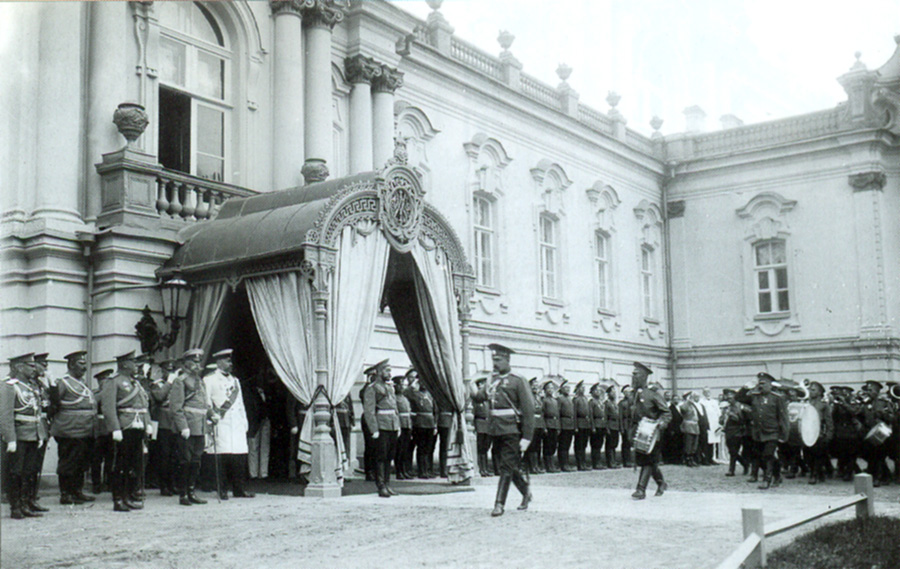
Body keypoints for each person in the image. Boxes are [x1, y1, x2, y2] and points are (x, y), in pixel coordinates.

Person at [468, 344, 534, 517]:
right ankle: (526, 491)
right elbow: (479, 397)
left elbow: (528, 411)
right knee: (508, 466)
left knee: (505, 467)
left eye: (498, 360)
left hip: (512, 430)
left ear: (507, 360)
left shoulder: (518, 380)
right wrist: (467, 383)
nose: (495, 364)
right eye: (493, 360)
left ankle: (499, 504)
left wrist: (527, 437)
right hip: (495, 430)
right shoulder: (491, 379)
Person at [100, 350, 153, 512]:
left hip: (137, 426)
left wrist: (148, 423)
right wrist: (115, 428)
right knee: (121, 464)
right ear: (123, 364)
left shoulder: (135, 383)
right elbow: (108, 407)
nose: (136, 366)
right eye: (132, 362)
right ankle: (118, 499)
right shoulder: (113, 381)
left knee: (134, 463)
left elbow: (144, 405)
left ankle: (128, 496)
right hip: (124, 427)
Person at [1, 353, 48, 519]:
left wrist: (40, 434)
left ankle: (26, 502)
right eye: (31, 365)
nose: (34, 368)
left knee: (29, 471)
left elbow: (37, 411)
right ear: (19, 367)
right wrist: (10, 439)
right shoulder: (9, 386)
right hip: (19, 435)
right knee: (16, 472)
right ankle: (16, 507)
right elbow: (5, 415)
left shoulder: (31, 386)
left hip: (33, 434)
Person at [204, 349, 254, 500]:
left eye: (230, 361)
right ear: (219, 362)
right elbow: (206, 402)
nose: (230, 364)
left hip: (237, 423)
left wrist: (244, 422)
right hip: (222, 422)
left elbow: (241, 404)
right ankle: (222, 489)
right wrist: (211, 417)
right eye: (227, 361)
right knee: (222, 456)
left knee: (239, 457)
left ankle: (239, 489)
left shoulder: (235, 381)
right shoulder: (209, 380)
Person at [170, 348, 216, 506]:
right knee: (185, 460)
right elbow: (176, 407)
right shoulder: (180, 381)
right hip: (188, 426)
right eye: (193, 362)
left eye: (198, 362)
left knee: (196, 460)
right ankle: (183, 494)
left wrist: (211, 414)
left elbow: (203, 402)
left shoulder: (199, 380)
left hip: (200, 426)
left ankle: (191, 491)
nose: (197, 365)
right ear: (186, 364)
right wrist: (183, 426)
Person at [50, 350, 97, 505]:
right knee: (68, 462)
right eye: (80, 363)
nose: (84, 367)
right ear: (71, 364)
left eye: (85, 364)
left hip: (85, 429)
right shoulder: (63, 383)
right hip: (69, 430)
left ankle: (77, 491)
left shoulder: (82, 383)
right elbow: (54, 405)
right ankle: (66, 493)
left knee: (81, 462)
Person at [737, 372, 790, 490]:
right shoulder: (754, 396)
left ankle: (767, 480)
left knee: (768, 455)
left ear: (771, 385)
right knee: (762, 456)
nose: (761, 386)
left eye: (764, 383)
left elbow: (783, 417)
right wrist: (747, 387)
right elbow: (739, 398)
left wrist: (784, 434)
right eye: (760, 383)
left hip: (772, 432)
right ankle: (777, 475)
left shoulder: (777, 398)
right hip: (758, 432)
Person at [628, 362, 671, 500]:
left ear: (644, 377)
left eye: (637, 374)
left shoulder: (653, 394)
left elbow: (666, 412)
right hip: (638, 431)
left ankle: (641, 490)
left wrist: (662, 423)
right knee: (648, 461)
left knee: (647, 460)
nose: (633, 377)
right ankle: (661, 483)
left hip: (652, 433)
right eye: (633, 374)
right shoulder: (633, 394)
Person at [362, 359, 399, 498]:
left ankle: (388, 484)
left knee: (390, 456)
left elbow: (395, 408)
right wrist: (374, 429)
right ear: (378, 372)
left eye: (390, 370)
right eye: (387, 370)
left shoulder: (390, 387)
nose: (389, 373)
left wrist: (398, 425)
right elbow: (369, 411)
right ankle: (381, 485)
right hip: (381, 426)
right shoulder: (372, 388)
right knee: (381, 456)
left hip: (392, 425)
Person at [150, 358, 180, 496]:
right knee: (164, 456)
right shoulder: (157, 384)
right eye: (168, 370)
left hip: (175, 423)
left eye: (172, 370)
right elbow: (160, 397)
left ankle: (173, 484)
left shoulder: (177, 383)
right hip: (163, 423)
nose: (170, 372)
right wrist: (169, 383)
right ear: (162, 371)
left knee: (175, 456)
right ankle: (164, 486)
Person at [860, 380, 895, 487]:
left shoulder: (883, 402)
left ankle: (878, 477)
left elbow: (892, 417)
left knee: (879, 456)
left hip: (882, 432)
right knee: (870, 455)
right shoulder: (866, 402)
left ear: (877, 391)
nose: (868, 392)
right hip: (870, 432)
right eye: (867, 390)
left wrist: (882, 414)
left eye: (871, 390)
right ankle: (886, 474)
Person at [244, 366, 273, 481]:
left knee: (264, 446)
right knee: (253, 447)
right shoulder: (249, 392)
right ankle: (253, 473)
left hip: (265, 420)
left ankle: (263, 473)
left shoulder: (267, 390)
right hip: (254, 422)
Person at [90, 368, 115, 494]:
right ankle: (96, 484)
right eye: (104, 380)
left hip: (110, 428)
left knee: (111, 458)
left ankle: (109, 482)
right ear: (99, 381)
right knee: (96, 459)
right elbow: (95, 402)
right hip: (99, 429)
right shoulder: (95, 393)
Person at [805, 381, 833, 484]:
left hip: (818, 433)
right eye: (810, 390)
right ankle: (820, 473)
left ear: (819, 392)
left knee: (816, 455)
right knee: (807, 455)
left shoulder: (823, 405)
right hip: (806, 433)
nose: (810, 392)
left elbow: (829, 421)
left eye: (813, 390)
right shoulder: (806, 403)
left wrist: (829, 435)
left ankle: (814, 474)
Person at [410, 377, 437, 478]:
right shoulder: (415, 394)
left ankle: (427, 470)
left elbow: (435, 411)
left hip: (430, 424)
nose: (423, 385)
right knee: (421, 448)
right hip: (420, 423)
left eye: (425, 382)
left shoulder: (431, 395)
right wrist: (415, 381)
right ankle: (421, 471)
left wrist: (435, 425)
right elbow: (409, 392)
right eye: (421, 382)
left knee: (428, 448)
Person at [720, 388, 750, 476]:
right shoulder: (727, 407)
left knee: (734, 451)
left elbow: (742, 419)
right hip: (728, 431)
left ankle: (731, 470)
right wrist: (722, 416)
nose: (729, 400)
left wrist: (732, 415)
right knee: (731, 451)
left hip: (737, 431)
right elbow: (721, 421)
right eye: (728, 398)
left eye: (731, 398)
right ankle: (745, 463)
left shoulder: (739, 406)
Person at [472, 376, 493, 477]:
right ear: (479, 386)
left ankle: (485, 468)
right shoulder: (476, 400)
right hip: (480, 424)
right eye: (483, 384)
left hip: (487, 425)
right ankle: (481, 468)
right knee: (480, 448)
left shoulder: (488, 401)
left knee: (486, 447)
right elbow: (474, 414)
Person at [393, 376, 413, 479]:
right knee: (399, 450)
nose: (402, 387)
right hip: (400, 425)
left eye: (403, 385)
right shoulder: (394, 398)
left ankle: (404, 470)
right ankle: (398, 471)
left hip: (407, 425)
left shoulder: (405, 398)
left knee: (405, 449)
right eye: (400, 385)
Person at [525, 378, 545, 474]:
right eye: (533, 386)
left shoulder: (538, 398)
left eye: (536, 386)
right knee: (532, 446)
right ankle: (532, 466)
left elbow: (542, 411)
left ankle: (537, 465)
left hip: (539, 423)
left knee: (538, 446)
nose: (535, 388)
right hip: (532, 423)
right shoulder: (527, 396)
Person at [556, 379, 575, 472]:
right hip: (563, 424)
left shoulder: (569, 399)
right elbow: (557, 413)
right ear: (561, 389)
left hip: (570, 424)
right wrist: (559, 426)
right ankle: (563, 464)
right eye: (566, 388)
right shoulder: (560, 398)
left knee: (567, 445)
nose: (568, 389)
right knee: (563, 445)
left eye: (569, 387)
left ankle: (567, 463)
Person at [541, 379, 560, 473]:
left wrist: (558, 427)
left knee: (553, 445)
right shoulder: (544, 401)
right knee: (547, 446)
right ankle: (548, 465)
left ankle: (552, 464)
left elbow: (558, 414)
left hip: (555, 425)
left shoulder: (555, 401)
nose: (550, 390)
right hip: (548, 424)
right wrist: (544, 427)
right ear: (545, 390)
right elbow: (542, 414)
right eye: (548, 388)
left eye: (552, 388)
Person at [679, 392, 700, 467]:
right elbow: (683, 409)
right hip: (688, 425)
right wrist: (687, 401)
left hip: (695, 425)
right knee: (688, 443)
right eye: (690, 396)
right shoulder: (684, 405)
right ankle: (688, 458)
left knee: (694, 444)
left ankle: (692, 457)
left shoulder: (694, 405)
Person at [589, 384, 607, 470]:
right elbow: (591, 415)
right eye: (596, 391)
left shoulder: (601, 402)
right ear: (592, 393)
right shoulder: (592, 402)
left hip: (602, 425)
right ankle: (595, 462)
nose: (598, 392)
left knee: (600, 444)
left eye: (599, 391)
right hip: (596, 425)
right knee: (595, 445)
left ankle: (599, 461)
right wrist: (593, 426)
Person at [604, 385, 621, 468]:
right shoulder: (607, 404)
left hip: (616, 426)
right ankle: (610, 462)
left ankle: (614, 460)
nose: (614, 394)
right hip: (610, 426)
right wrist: (607, 428)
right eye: (612, 392)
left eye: (615, 392)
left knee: (614, 444)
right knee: (610, 445)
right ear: (608, 394)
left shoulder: (615, 403)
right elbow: (605, 416)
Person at [619, 385, 634, 467]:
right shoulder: (622, 403)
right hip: (625, 424)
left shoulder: (633, 402)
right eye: (627, 392)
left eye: (630, 392)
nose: (629, 394)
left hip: (632, 424)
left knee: (631, 442)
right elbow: (620, 416)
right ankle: (626, 460)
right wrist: (621, 427)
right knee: (626, 443)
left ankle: (631, 459)